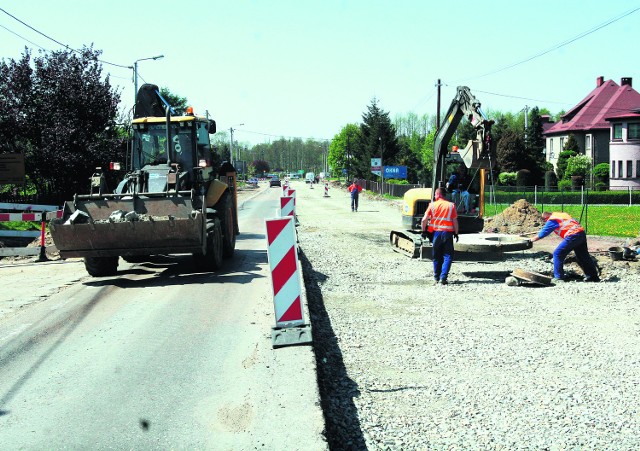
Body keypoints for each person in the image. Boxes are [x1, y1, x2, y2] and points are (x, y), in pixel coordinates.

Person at [530, 211, 600, 282]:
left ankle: (559, 277)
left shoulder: (552, 220)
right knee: (583, 256)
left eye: (545, 220)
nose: (545, 222)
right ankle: (593, 277)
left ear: (546, 218)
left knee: (558, 253)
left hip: (572, 235)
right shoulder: (562, 215)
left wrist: (530, 240)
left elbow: (543, 233)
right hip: (581, 233)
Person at [421, 187, 459, 285]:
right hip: (447, 233)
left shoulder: (432, 205)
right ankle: (443, 277)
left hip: (436, 234)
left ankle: (436, 277)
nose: (434, 196)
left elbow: (424, 220)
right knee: (448, 256)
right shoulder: (451, 206)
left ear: (438, 194)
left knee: (436, 256)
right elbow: (455, 221)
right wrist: (456, 233)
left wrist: (424, 231)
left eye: (435, 194)